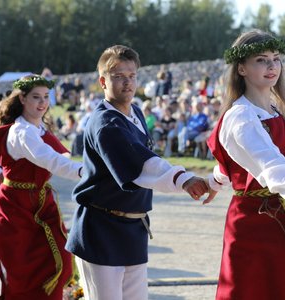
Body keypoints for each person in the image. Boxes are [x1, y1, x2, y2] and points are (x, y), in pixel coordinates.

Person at [65, 45, 211, 300]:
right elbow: (142, 164)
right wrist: (184, 179)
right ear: (103, 81)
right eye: (119, 76)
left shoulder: (135, 112)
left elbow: (147, 158)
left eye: (131, 75)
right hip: (102, 230)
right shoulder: (105, 124)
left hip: (133, 229)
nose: (127, 82)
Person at [207, 29, 285, 300]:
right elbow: (269, 162)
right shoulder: (241, 116)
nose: (272, 65)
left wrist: (215, 181)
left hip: (283, 216)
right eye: (261, 60)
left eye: (275, 58)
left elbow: (239, 160)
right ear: (242, 68)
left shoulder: (274, 111)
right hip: (257, 222)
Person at [0, 75, 83, 299]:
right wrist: (88, 173)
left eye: (46, 97)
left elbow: (56, 159)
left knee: (60, 262)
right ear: (23, 99)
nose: (42, 103)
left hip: (42, 203)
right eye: (36, 97)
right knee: (22, 273)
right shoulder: (21, 132)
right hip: (15, 206)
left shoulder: (39, 130)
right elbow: (52, 161)